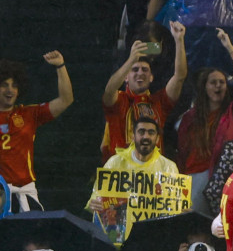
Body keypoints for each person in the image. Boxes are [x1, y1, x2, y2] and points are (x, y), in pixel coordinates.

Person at [176, 29, 233, 214]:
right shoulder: (190, 118)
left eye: (222, 82)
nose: (219, 85)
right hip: (193, 179)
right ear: (204, 87)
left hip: (225, 180)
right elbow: (182, 152)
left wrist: (230, 48)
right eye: (213, 82)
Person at [102, 21, 188, 161]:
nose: (140, 73)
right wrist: (131, 59)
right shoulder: (118, 100)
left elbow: (180, 76)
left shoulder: (159, 102)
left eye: (145, 70)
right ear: (125, 77)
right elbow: (109, 89)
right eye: (135, 70)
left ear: (152, 77)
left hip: (151, 172)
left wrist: (179, 40)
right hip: (121, 171)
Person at [0, 52, 74, 212]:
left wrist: (60, 66)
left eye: (14, 85)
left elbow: (66, 99)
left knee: (31, 237)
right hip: (0, 194)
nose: (10, 90)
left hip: (26, 193)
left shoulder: (29, 114)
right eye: (4, 84)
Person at [87, 117, 180, 214]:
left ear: (157, 139)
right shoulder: (115, 163)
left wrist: (181, 209)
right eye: (141, 132)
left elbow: (174, 204)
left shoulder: (168, 167)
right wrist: (93, 204)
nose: (146, 137)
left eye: (151, 133)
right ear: (133, 136)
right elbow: (97, 197)